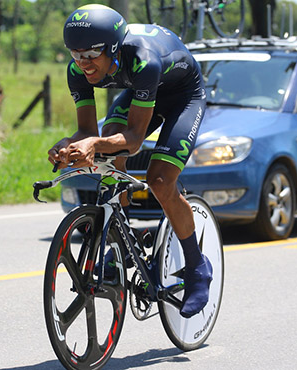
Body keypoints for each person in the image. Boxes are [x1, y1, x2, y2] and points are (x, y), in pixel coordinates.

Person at [48, 4, 212, 318]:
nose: (83, 64)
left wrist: (93, 144)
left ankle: (196, 266)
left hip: (182, 96)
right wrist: (67, 145)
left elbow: (134, 141)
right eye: (75, 54)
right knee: (107, 146)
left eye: (91, 55)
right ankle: (118, 246)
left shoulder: (143, 60)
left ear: (112, 48)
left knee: (160, 181)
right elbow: (87, 131)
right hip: (138, 90)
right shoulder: (78, 71)